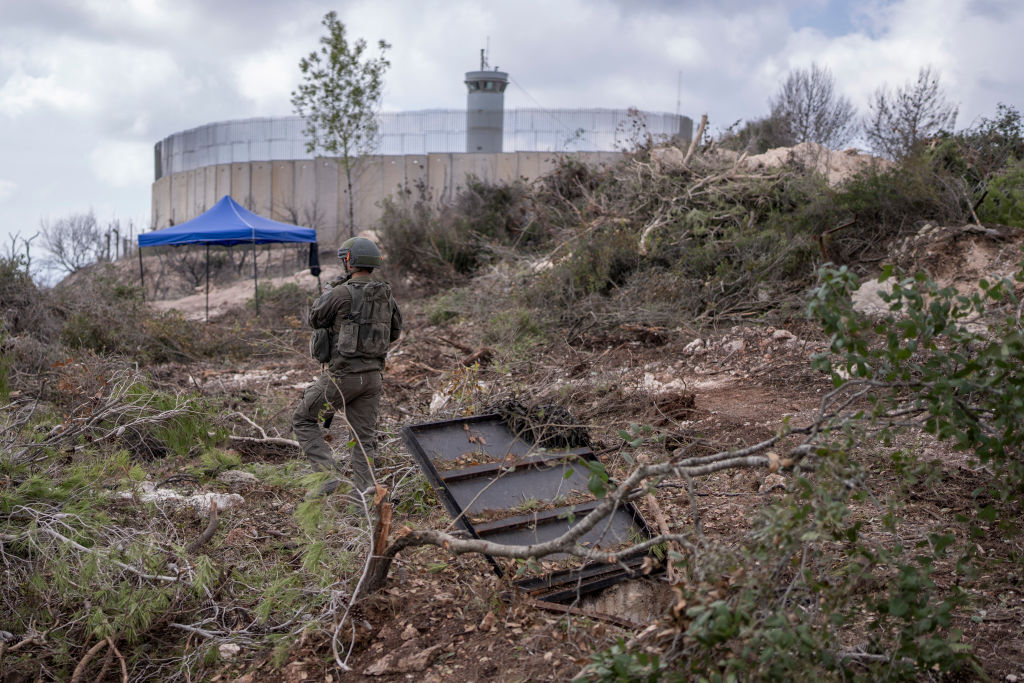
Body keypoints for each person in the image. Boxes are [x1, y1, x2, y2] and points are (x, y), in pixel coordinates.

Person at [292, 236, 402, 498]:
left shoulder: (340, 293)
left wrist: (333, 290)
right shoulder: (386, 294)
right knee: (364, 441)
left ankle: (327, 475)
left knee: (303, 418)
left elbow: (315, 318)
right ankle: (362, 503)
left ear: (349, 261)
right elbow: (394, 332)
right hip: (373, 379)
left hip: (342, 378)